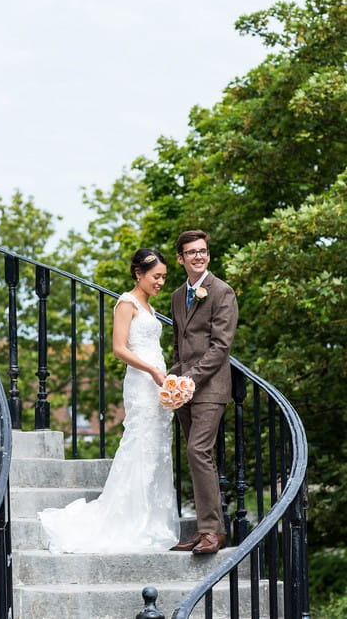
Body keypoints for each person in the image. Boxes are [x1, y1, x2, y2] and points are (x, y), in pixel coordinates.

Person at [38, 248, 180, 554]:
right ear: (138, 274)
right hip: (143, 382)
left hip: (158, 383)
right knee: (140, 443)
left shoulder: (150, 306)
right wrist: (152, 369)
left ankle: (153, 519)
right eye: (156, 276)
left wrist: (165, 376)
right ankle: (131, 519)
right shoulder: (126, 303)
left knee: (157, 448)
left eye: (164, 277)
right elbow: (119, 348)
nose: (160, 282)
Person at [170, 229, 239, 555]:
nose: (199, 256)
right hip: (183, 389)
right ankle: (204, 530)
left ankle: (213, 532)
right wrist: (172, 379)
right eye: (191, 252)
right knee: (198, 458)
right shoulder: (176, 296)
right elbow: (178, 345)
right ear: (181, 259)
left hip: (210, 387)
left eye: (203, 251)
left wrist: (191, 379)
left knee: (199, 452)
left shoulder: (222, 291)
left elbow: (220, 347)